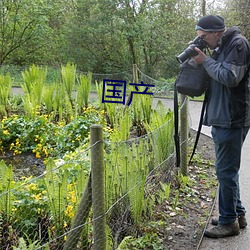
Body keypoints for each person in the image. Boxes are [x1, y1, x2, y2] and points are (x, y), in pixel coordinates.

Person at [192, 15, 250, 238]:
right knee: (227, 171)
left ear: (216, 32)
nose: (203, 41)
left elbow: (229, 77)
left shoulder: (238, 44)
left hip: (232, 118)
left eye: (204, 37)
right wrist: (202, 59)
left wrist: (205, 61)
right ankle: (237, 214)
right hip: (222, 117)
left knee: (225, 171)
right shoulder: (221, 46)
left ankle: (228, 223)